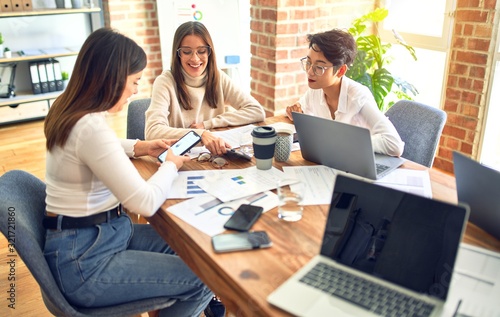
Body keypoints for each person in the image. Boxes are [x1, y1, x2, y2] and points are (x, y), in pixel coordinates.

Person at [43, 28, 224, 317]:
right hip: (86, 261)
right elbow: (145, 203)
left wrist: (140, 147)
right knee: (206, 277)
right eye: (134, 82)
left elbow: (93, 147)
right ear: (112, 80)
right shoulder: (90, 127)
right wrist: (171, 164)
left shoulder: (70, 111)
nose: (136, 91)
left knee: (193, 248)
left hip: (89, 239)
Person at [145, 21, 265, 155]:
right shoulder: (165, 82)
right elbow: (152, 131)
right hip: (177, 157)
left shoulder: (217, 76)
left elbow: (256, 111)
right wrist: (199, 134)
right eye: (187, 52)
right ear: (178, 54)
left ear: (209, 52)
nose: (195, 59)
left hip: (211, 155)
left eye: (201, 51)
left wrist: (208, 124)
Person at [286, 28, 405, 157]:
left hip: (361, 163)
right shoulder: (316, 89)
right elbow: (302, 112)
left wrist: (347, 142)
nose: (309, 71)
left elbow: (394, 144)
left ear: (341, 71)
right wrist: (295, 112)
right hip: (332, 160)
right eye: (308, 62)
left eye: (319, 67)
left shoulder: (358, 97)